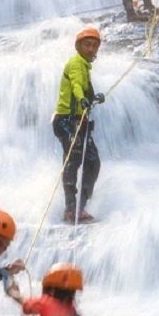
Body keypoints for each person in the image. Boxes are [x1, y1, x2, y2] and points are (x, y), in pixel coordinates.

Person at [52, 28, 105, 224]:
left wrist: (94, 98)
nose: (91, 49)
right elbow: (75, 85)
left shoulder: (85, 67)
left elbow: (82, 89)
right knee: (73, 160)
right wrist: (82, 99)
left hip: (79, 121)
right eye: (87, 45)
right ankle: (70, 209)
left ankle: (80, 205)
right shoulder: (76, 64)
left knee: (92, 161)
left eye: (94, 45)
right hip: (67, 120)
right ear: (79, 46)